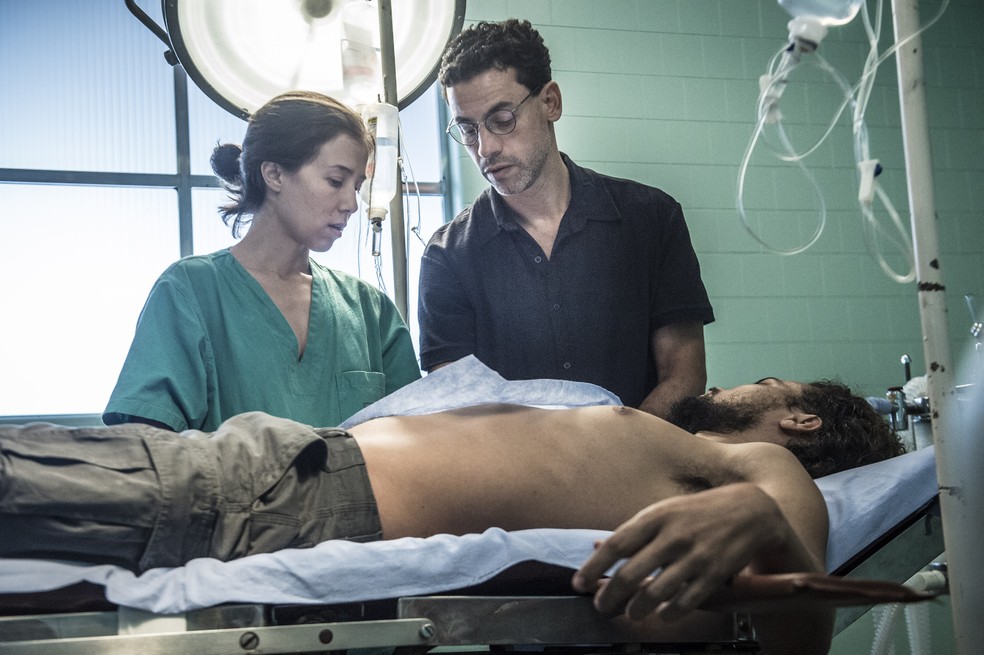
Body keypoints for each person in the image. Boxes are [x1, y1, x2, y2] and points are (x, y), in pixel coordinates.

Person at [2, 377, 902, 654]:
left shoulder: (759, 463)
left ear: (800, 419)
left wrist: (759, 517)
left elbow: (800, 600)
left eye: (767, 383)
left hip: (277, 497)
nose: (739, 385)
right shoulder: (671, 454)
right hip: (280, 474)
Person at [417, 19, 715, 418]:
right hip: (516, 460)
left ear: (550, 102)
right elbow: (459, 407)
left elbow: (684, 374)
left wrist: (619, 447)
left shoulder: (652, 219)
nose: (485, 148)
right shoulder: (447, 258)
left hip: (645, 453)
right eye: (468, 130)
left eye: (502, 120)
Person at [103, 91, 421, 433]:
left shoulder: (370, 311)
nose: (351, 204)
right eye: (335, 181)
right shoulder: (190, 292)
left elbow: (414, 438)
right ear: (274, 174)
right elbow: (146, 444)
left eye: (356, 186)